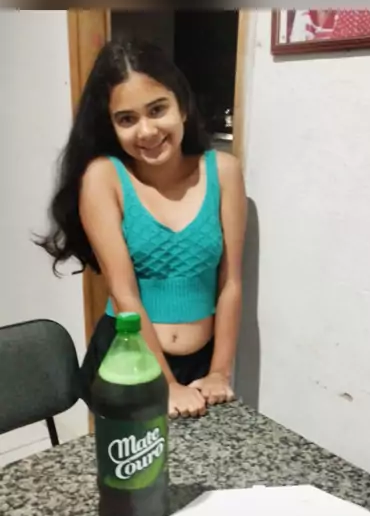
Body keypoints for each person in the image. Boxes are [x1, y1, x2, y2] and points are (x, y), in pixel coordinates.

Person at [36, 38, 247, 419]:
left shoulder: (224, 171)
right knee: (129, 459)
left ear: (182, 106)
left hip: (202, 368)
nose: (146, 131)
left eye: (157, 109)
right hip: (130, 363)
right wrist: (166, 384)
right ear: (112, 126)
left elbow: (231, 282)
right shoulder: (104, 177)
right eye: (127, 119)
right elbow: (124, 293)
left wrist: (220, 371)